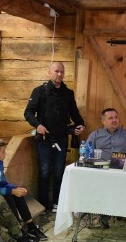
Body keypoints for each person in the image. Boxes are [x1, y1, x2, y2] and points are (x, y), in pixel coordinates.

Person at [24, 61, 85, 212]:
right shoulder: (39, 91)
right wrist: (38, 126)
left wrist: (81, 126)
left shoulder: (68, 93)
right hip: (44, 139)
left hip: (62, 138)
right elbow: (28, 112)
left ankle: (58, 203)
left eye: (62, 72)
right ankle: (44, 204)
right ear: (49, 72)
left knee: (59, 172)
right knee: (44, 171)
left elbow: (76, 115)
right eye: (56, 71)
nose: (59, 74)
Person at [86, 108, 126, 229]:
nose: (114, 120)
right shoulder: (95, 135)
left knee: (119, 183)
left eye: (116, 117)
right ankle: (105, 213)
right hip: (101, 169)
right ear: (103, 121)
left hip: (121, 169)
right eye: (110, 118)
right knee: (103, 183)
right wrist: (92, 161)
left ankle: (118, 210)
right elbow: (86, 154)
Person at [0, 138, 47, 241]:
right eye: (3, 152)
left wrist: (16, 189)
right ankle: (18, 228)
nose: (5, 154)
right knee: (10, 195)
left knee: (17, 192)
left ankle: (31, 225)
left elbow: (3, 183)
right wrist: (11, 191)